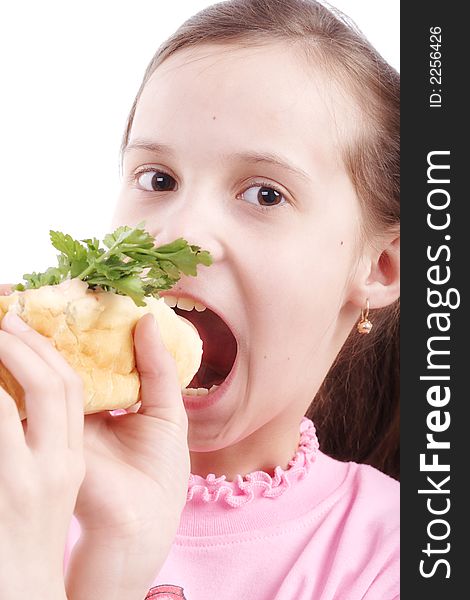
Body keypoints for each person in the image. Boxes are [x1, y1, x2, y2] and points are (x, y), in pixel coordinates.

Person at [0, 0, 400, 598]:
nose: (177, 235)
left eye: (265, 194)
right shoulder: (16, 472)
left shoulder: (392, 554)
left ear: (381, 265)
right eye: (157, 179)